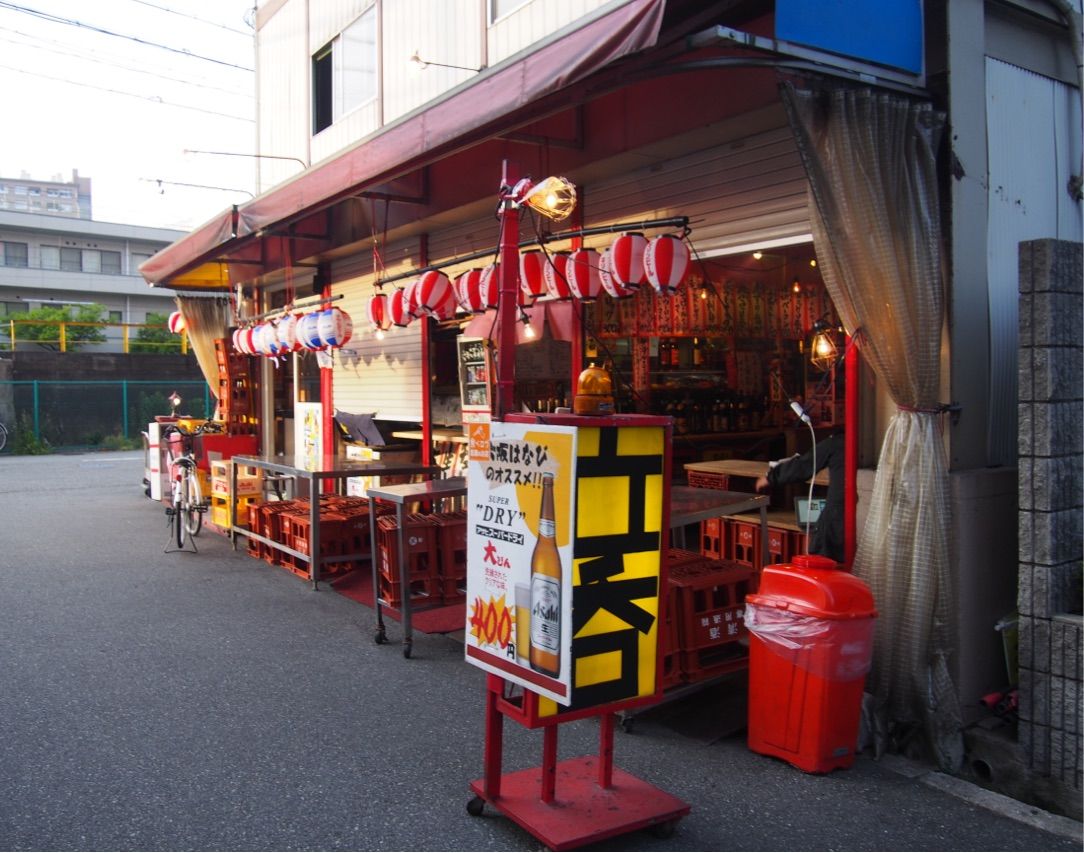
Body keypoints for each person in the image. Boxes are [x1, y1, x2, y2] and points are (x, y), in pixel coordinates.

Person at [755, 433, 844, 564]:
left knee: (822, 561)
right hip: (861, 516)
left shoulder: (837, 443)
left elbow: (804, 465)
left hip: (837, 520)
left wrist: (770, 478)